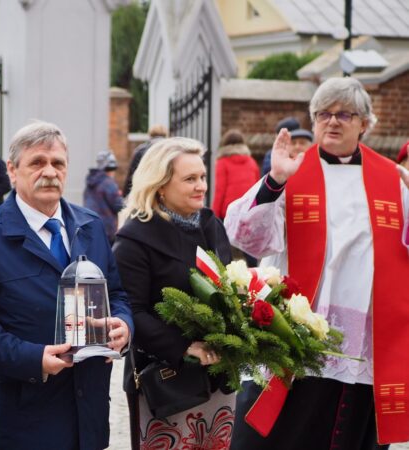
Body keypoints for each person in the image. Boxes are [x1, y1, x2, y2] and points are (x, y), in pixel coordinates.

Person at [225, 77, 409, 449]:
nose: (333, 121)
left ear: (365, 123)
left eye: (345, 114)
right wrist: (274, 180)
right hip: (294, 331)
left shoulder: (392, 179)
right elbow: (245, 236)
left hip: (363, 342)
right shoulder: (293, 171)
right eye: (323, 114)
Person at [0, 121, 134, 450]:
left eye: (58, 163)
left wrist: (124, 326)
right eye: (37, 162)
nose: (49, 171)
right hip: (26, 414)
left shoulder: (90, 226)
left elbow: (117, 294)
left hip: (88, 411)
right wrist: (33, 358)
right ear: (12, 170)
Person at [113, 137, 235, 450]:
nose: (201, 186)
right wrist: (182, 348)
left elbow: (231, 288)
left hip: (219, 375)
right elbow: (132, 309)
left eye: (203, 177)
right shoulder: (134, 239)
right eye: (190, 179)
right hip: (167, 380)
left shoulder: (210, 224)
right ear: (161, 185)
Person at [212, 129, 260, 220]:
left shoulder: (222, 162)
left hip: (229, 212)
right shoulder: (252, 162)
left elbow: (220, 191)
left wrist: (214, 216)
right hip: (249, 210)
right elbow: (257, 189)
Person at [83, 150, 124, 243]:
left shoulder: (90, 182)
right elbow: (118, 206)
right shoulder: (109, 183)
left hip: (89, 227)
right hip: (106, 231)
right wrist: (121, 198)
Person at [123, 124, 168, 198]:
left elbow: (131, 176)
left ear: (150, 135)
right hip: (164, 190)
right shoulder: (171, 150)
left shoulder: (141, 150)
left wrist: (126, 196)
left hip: (145, 191)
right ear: (166, 135)